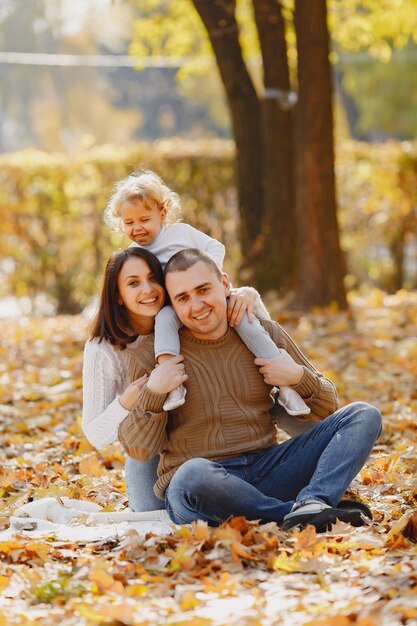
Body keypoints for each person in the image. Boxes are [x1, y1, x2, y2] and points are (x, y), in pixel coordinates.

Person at [118, 248, 382, 532]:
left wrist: (296, 376)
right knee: (192, 475)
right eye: (183, 298)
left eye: (203, 290)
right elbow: (137, 449)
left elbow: (329, 408)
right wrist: (155, 393)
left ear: (225, 284)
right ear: (172, 304)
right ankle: (293, 514)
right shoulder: (153, 354)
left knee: (363, 415)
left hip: (268, 468)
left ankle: (313, 502)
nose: (196, 305)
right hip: (201, 489)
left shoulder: (264, 334)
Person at [104, 169, 310, 417]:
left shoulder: (180, 233)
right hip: (176, 306)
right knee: (164, 321)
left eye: (144, 220)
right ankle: (173, 383)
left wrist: (206, 279)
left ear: (162, 214)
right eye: (129, 223)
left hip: (207, 296)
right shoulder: (136, 252)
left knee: (245, 321)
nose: (137, 228)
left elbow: (215, 247)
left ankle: (285, 385)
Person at [82, 246, 264, 512]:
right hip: (147, 439)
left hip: (201, 431)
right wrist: (127, 402)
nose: (148, 289)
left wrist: (249, 294)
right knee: (152, 515)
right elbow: (96, 435)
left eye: (153, 278)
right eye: (133, 283)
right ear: (118, 296)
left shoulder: (181, 312)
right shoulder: (103, 349)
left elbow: (222, 297)